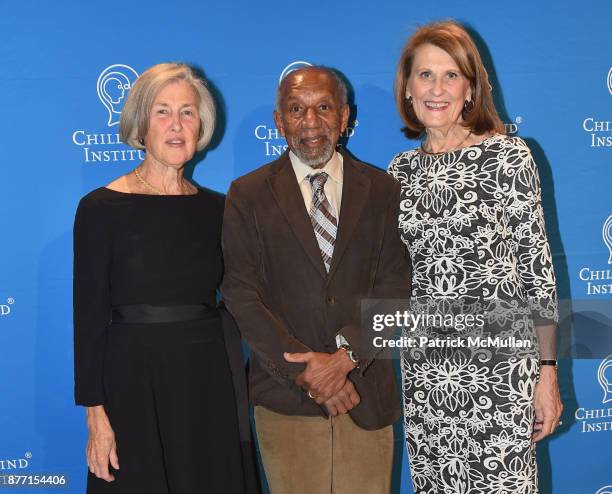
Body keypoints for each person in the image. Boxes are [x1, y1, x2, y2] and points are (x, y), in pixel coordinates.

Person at [388, 21, 563, 493]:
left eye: (450, 75)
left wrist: (547, 375)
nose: (437, 89)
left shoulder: (509, 157)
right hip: (426, 373)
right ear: (407, 87)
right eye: (425, 75)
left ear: (470, 87)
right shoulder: (398, 172)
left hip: (501, 371)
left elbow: (537, 274)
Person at [222, 66, 411, 493]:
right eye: (296, 109)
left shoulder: (383, 191)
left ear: (344, 118)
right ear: (279, 121)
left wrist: (345, 357)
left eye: (323, 107)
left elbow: (395, 288)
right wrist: (305, 373)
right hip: (286, 402)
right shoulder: (247, 195)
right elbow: (241, 294)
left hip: (365, 394)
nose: (310, 122)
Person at [73, 63, 248, 493]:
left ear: (201, 126)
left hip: (207, 380)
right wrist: (96, 415)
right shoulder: (100, 208)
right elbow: (89, 318)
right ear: (140, 125)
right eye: (162, 112)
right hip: (132, 384)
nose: (176, 125)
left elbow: (245, 296)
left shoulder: (218, 209)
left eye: (187, 113)